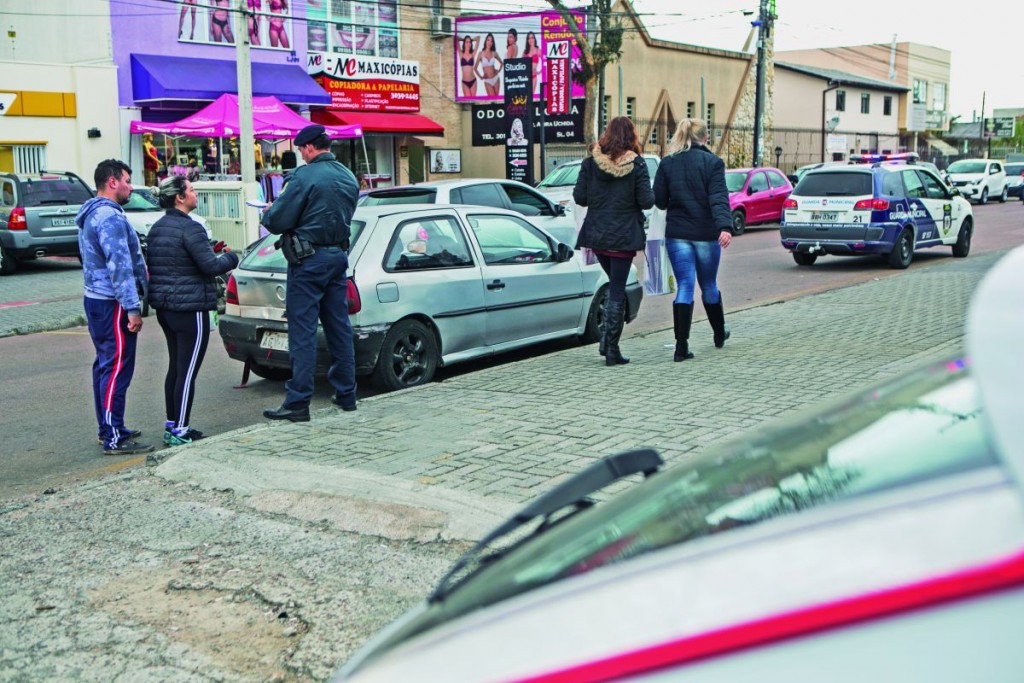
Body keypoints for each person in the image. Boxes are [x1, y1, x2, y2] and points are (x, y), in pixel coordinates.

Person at [260, 124, 360, 422]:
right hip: (337, 256)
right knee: (339, 326)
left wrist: (269, 211)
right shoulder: (348, 175)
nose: (302, 155)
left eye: (302, 150)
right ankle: (347, 393)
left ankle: (298, 402)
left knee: (302, 331)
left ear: (309, 148)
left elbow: (276, 221)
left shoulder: (304, 176)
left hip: (308, 260)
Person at [147, 176, 239, 446]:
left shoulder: (157, 228)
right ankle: (181, 429)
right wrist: (231, 257)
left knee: (176, 367)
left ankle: (172, 424)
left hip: (166, 307)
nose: (196, 194)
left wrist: (209, 252)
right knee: (187, 371)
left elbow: (177, 261)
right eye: (192, 190)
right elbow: (210, 266)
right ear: (179, 197)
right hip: (192, 307)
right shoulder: (192, 228)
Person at [76, 159, 153, 455]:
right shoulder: (109, 217)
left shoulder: (90, 213)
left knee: (106, 365)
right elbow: (119, 266)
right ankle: (113, 436)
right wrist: (133, 308)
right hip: (112, 303)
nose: (130, 186)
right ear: (112, 182)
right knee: (116, 367)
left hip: (96, 298)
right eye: (127, 180)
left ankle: (109, 427)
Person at [573, 116, 654, 367]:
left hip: (597, 235)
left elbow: (579, 197)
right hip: (623, 236)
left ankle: (606, 343)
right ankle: (612, 349)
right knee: (618, 288)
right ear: (632, 136)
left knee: (613, 284)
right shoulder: (637, 164)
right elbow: (647, 201)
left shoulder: (590, 163)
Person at [652, 118, 732, 363]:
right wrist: (724, 226)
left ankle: (681, 347)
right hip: (706, 234)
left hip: (677, 234)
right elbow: (718, 197)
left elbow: (660, 200)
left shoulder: (667, 164)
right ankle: (719, 333)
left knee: (685, 286)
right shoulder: (713, 163)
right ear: (705, 138)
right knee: (709, 284)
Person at [475, 32, 503, 97]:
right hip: (487, 81)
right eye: (488, 40)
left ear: (492, 43)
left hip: (496, 79)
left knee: (497, 99)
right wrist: (481, 77)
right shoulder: (480, 54)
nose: (489, 42)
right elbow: (475, 68)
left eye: (491, 41)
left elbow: (502, 63)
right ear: (485, 41)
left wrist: (498, 71)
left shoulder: (494, 53)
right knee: (492, 99)